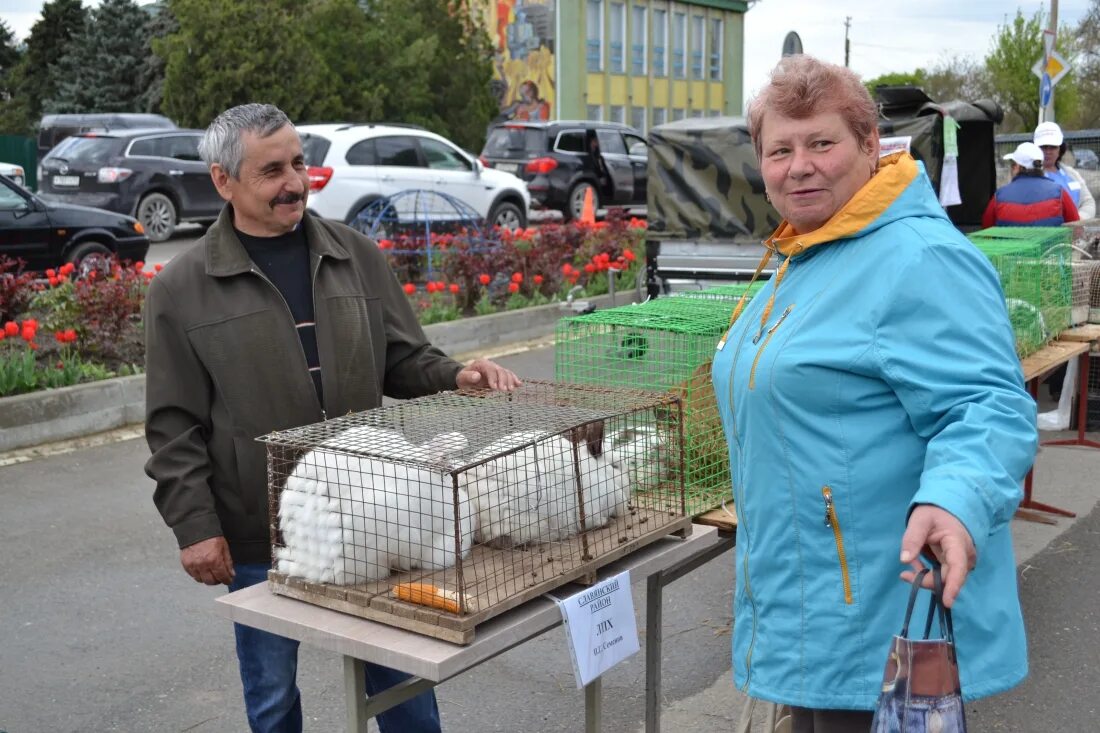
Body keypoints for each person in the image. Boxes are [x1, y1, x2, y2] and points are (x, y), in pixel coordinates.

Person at [143, 103, 521, 733]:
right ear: (222, 181)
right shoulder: (182, 288)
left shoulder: (355, 255)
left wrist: (456, 374)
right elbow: (173, 425)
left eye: (298, 163)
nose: (294, 182)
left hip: (370, 516)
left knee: (403, 686)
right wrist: (193, 526)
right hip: (257, 529)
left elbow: (402, 357)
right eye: (271, 171)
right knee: (270, 693)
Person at [711, 55, 1037, 731]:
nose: (799, 165)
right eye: (780, 149)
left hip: (882, 618)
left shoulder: (918, 257)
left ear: (869, 146)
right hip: (811, 608)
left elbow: (989, 405)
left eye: (821, 143)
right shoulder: (810, 249)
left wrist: (956, 498)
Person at [982, 141, 1080, 228]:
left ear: (1018, 167)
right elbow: (1076, 227)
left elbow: (986, 230)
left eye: (1012, 165)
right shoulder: (1059, 193)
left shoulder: (999, 196)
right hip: (1051, 248)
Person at [1034, 120, 1096, 219]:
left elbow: (1088, 202)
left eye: (1053, 147)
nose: (1048, 151)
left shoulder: (1071, 173)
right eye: (1044, 147)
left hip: (1076, 229)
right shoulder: (1031, 177)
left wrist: (1077, 220)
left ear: (1060, 149)